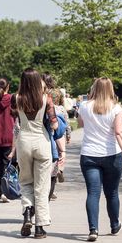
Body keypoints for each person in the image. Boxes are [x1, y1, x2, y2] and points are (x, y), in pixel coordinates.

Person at [78, 77, 122, 242]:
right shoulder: (116, 108)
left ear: (94, 88)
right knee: (112, 193)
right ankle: (115, 224)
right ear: (111, 89)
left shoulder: (84, 106)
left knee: (93, 193)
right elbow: (119, 132)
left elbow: (81, 124)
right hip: (111, 155)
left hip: (89, 155)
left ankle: (93, 229)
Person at [9, 68, 58, 239]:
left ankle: (27, 212)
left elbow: (13, 114)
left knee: (25, 181)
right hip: (41, 141)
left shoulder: (16, 99)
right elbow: (54, 124)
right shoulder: (46, 99)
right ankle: (39, 227)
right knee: (42, 187)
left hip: (24, 141)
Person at [42, 73, 69, 201]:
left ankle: (47, 185)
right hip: (59, 128)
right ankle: (59, 171)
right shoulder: (58, 93)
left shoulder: (41, 93)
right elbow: (66, 122)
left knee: (50, 157)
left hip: (47, 131)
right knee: (60, 154)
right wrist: (68, 134)